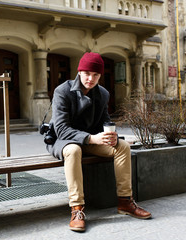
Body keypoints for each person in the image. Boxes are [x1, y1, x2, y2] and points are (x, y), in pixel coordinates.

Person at [46, 52, 151, 232]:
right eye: (87, 73)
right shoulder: (62, 91)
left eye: (95, 75)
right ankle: (77, 209)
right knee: (73, 150)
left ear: (100, 76)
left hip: (91, 141)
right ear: (79, 72)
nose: (91, 78)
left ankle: (125, 202)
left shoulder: (102, 93)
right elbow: (62, 129)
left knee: (122, 146)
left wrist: (111, 134)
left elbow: (105, 121)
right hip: (63, 141)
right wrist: (91, 138)